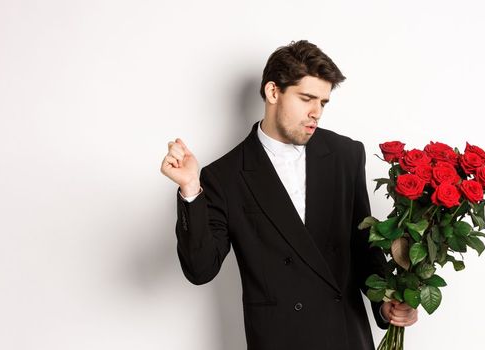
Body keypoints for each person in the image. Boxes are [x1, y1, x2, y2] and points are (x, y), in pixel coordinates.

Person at [160, 40, 418, 350]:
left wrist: (385, 303)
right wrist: (191, 189)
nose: (316, 112)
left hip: (345, 336)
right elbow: (200, 269)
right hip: (280, 340)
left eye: (323, 102)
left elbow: (363, 249)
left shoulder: (345, 155)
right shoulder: (225, 176)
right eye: (307, 98)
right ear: (272, 92)